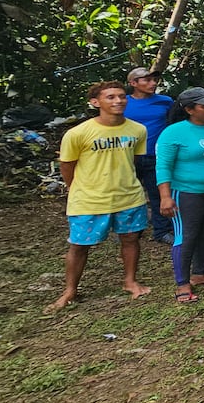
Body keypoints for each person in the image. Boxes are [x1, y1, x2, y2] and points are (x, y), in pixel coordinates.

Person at [48, 81, 152, 311]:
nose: (118, 101)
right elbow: (67, 165)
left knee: (130, 239)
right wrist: (77, 189)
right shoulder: (78, 133)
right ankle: (70, 290)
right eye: (111, 97)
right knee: (79, 246)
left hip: (129, 197)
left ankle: (130, 281)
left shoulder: (137, 129)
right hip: (89, 200)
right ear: (96, 102)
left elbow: (133, 161)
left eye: (122, 96)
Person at [156, 87, 204, 301]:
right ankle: (182, 282)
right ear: (189, 109)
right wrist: (165, 196)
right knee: (187, 235)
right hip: (186, 192)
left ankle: (199, 274)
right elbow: (163, 166)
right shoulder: (173, 132)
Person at [122, 67, 173, 244]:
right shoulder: (123, 103)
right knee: (127, 193)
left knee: (159, 193)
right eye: (147, 80)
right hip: (127, 156)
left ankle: (162, 231)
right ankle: (128, 229)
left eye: (154, 80)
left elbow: (172, 124)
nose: (153, 83)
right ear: (133, 83)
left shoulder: (165, 101)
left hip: (155, 155)